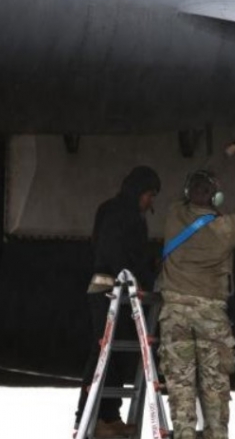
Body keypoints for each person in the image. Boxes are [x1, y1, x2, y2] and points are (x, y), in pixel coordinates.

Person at [158, 161, 235, 439]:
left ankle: (184, 434)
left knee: (180, 384)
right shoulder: (225, 228)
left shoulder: (173, 214)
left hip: (175, 313)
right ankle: (216, 434)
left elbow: (184, 200)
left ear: (187, 192)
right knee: (215, 386)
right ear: (215, 197)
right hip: (211, 316)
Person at [74, 165, 161, 438]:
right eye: (149, 195)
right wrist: (139, 276)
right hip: (111, 290)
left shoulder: (115, 211)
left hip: (121, 292)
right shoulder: (121, 214)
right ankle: (89, 415)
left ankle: (110, 416)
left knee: (117, 357)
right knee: (103, 353)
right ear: (139, 191)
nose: (150, 202)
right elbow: (117, 253)